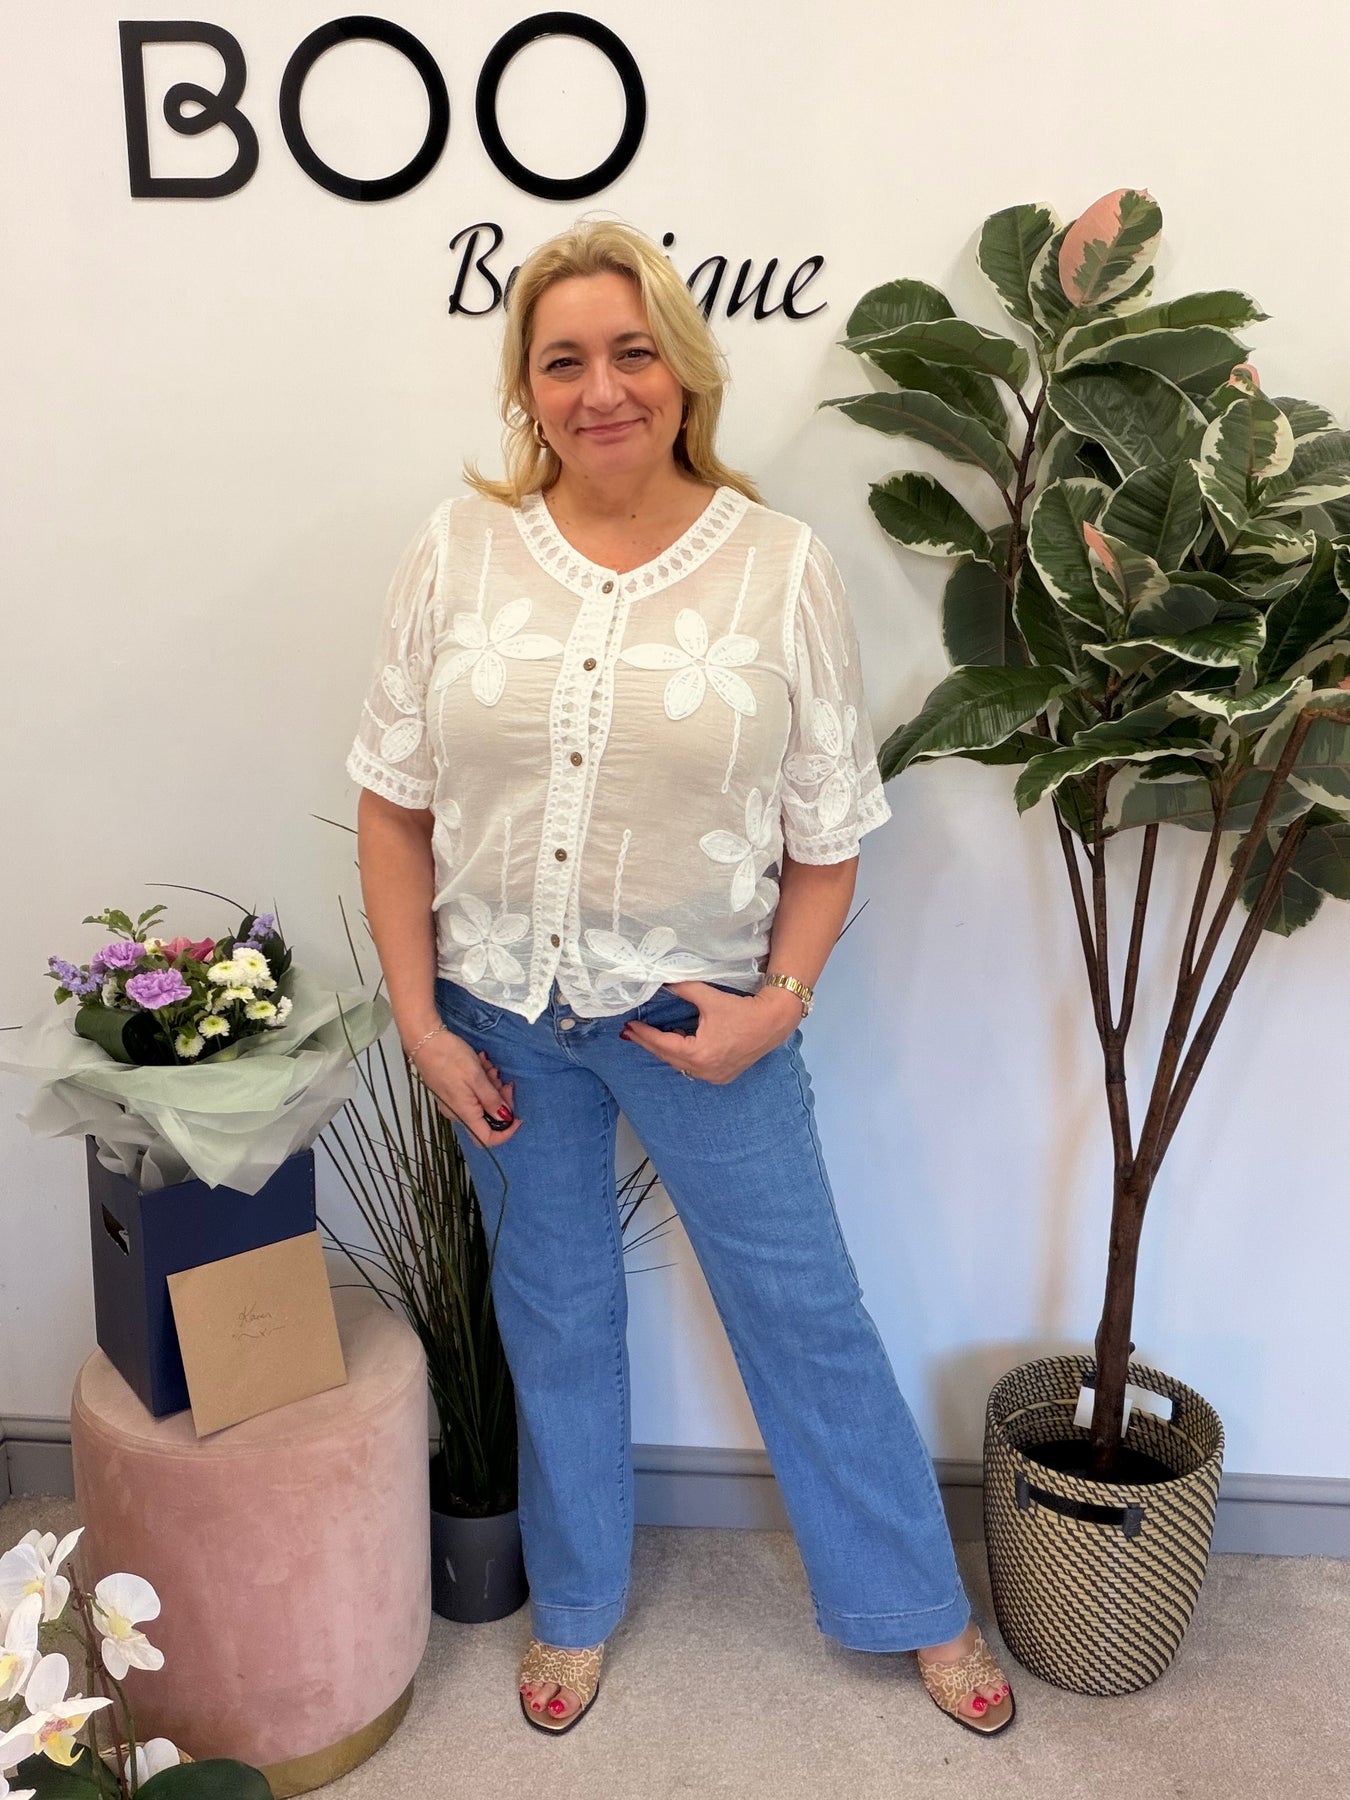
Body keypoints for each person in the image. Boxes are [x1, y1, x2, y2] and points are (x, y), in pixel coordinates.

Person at [346, 220, 1014, 1739]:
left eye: (631, 352)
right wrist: (420, 1020)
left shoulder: (778, 569)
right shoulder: (456, 552)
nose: (601, 390)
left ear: (683, 371)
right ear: (525, 387)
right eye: (563, 360)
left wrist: (777, 1008)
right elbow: (394, 805)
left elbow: (829, 841)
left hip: (701, 1017)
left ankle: (915, 1602)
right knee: (554, 1315)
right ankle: (576, 1605)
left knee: (803, 1310)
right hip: (498, 1018)